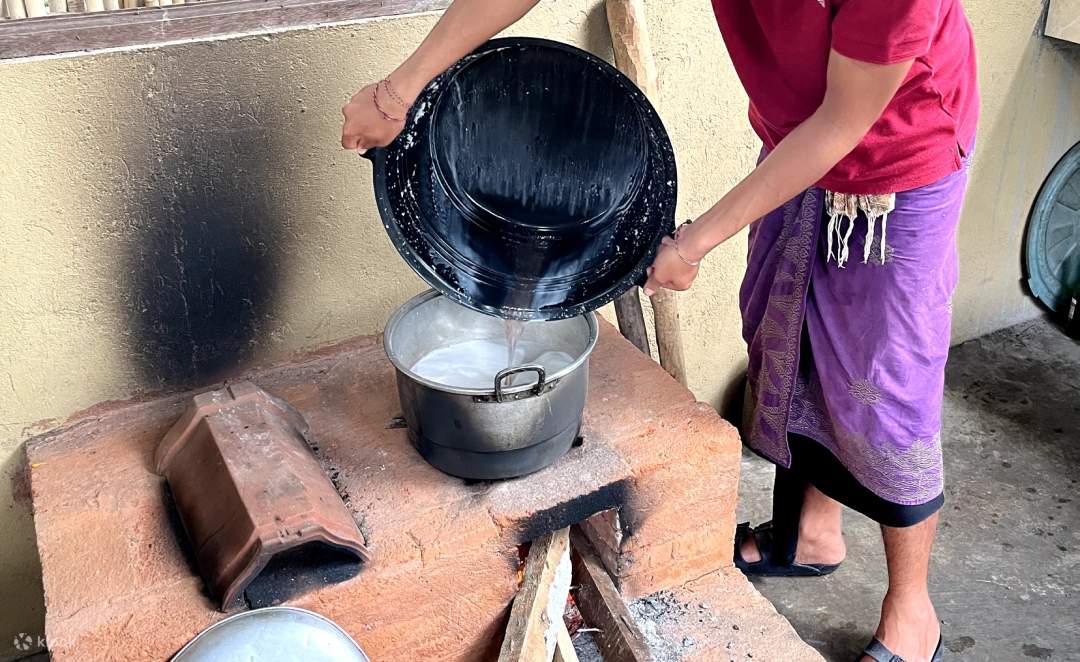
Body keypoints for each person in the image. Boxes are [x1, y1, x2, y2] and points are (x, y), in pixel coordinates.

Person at [342, 1, 978, 660]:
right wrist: (399, 90)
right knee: (791, 343)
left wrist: (695, 243)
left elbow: (843, 121)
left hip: (896, 166)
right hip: (796, 140)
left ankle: (912, 609)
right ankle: (810, 535)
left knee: (883, 387)